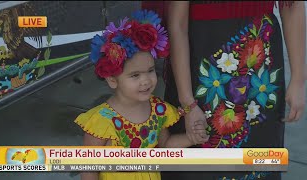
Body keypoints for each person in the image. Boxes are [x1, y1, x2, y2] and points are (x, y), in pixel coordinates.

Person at [143, 1, 306, 179]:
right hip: (200, 75)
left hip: (260, 75)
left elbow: (292, 5)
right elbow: (177, 25)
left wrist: (298, 79)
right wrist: (187, 103)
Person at [74, 10, 209, 180]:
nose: (146, 81)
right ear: (112, 80)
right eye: (135, 75)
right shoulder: (101, 121)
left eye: (150, 71)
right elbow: (89, 167)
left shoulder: (158, 110)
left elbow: (165, 146)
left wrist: (191, 138)